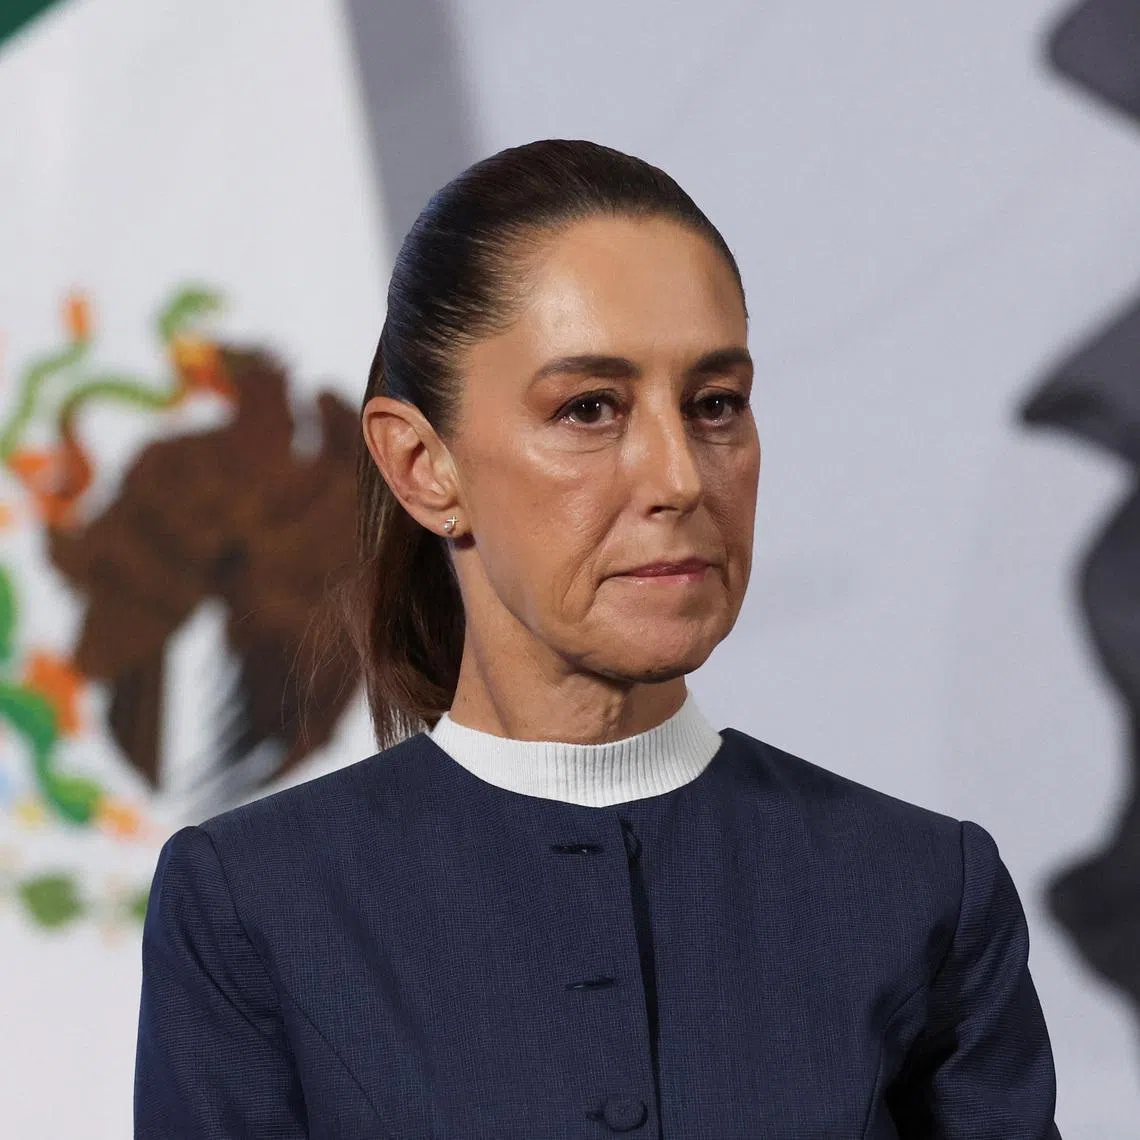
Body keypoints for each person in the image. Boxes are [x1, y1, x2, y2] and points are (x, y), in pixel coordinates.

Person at [133, 139, 1062, 1139]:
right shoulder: (256, 906)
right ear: (421, 464)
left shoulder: (920, 888)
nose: (680, 477)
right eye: (588, 408)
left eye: (715, 404)